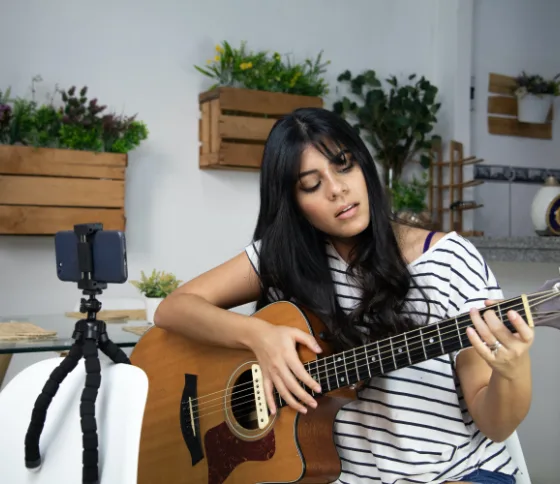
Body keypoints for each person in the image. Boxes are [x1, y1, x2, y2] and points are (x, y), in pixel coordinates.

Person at [154, 107, 533, 484]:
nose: (338, 189)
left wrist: (511, 370)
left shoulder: (449, 261)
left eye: (344, 165)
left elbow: (494, 425)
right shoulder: (284, 256)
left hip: (454, 473)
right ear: (293, 203)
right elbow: (174, 308)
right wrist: (260, 337)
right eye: (311, 185)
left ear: (364, 166)